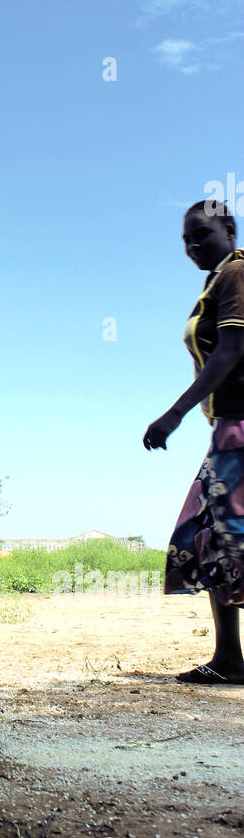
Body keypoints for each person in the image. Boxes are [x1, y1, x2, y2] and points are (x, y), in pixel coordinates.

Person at [144, 200, 244, 684]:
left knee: (229, 536)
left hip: (240, 427)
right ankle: (230, 658)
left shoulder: (237, 275)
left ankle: (230, 658)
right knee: (212, 537)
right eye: (186, 240)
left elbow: (231, 351)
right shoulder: (218, 280)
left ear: (229, 227)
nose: (192, 246)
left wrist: (174, 414)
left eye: (201, 234)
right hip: (228, 428)